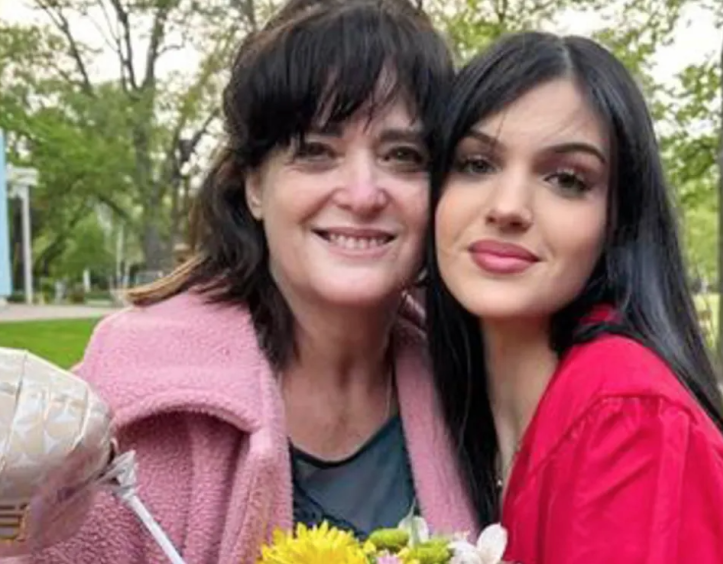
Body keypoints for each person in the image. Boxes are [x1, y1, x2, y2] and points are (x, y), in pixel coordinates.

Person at [25, 1, 476, 562]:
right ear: (253, 187)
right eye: (316, 151)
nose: (363, 194)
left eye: (403, 156)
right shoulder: (132, 405)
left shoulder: (474, 386)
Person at [427, 31, 723, 563]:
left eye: (566, 179)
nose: (508, 206)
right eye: (476, 164)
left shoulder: (626, 423)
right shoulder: (456, 421)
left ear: (616, 222)